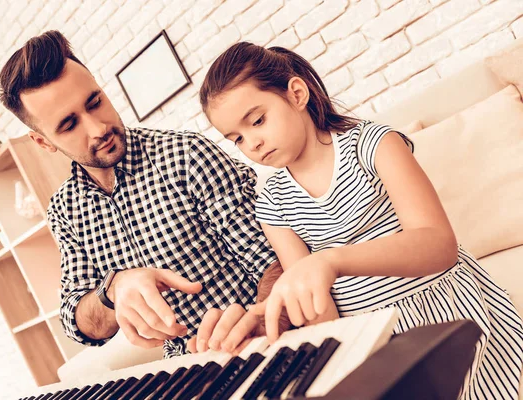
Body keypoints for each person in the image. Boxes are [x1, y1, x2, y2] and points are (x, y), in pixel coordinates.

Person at [198, 41, 523, 399]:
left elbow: (438, 243)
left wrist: (331, 260)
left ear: (296, 94)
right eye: (238, 139)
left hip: (444, 313)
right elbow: (318, 307)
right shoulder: (272, 203)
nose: (252, 144)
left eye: (258, 121)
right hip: (371, 334)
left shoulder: (373, 144)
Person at [0, 31, 279, 358]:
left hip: (254, 347)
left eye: (95, 102)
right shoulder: (65, 209)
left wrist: (256, 321)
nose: (98, 128)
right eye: (69, 124)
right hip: (184, 370)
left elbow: (275, 259)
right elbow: (79, 325)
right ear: (43, 142)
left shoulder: (186, 155)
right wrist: (112, 291)